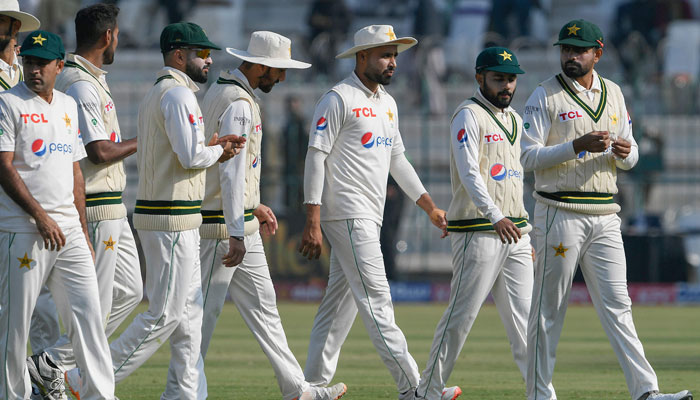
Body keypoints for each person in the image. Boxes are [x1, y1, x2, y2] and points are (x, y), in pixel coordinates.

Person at [161, 30, 347, 400]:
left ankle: (296, 389)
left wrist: (253, 205)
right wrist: (236, 230)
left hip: (233, 220)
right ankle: (178, 394)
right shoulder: (240, 103)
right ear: (260, 65)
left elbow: (234, 171)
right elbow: (229, 172)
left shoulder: (223, 90)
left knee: (264, 311)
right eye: (278, 71)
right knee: (200, 319)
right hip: (221, 227)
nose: (281, 78)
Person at [62, 22, 244, 399]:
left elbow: (185, 151)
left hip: (176, 215)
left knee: (189, 315)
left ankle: (184, 394)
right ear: (179, 55)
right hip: (170, 217)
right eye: (202, 53)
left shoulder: (168, 92)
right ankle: (84, 379)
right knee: (164, 314)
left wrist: (210, 147)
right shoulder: (177, 95)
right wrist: (218, 152)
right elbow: (192, 156)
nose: (209, 60)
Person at [521, 19, 693, 400]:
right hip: (558, 211)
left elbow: (630, 154)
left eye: (578, 50)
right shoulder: (543, 95)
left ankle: (646, 391)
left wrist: (626, 153)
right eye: (565, 49)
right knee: (549, 309)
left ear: (597, 53)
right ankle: (539, 394)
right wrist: (576, 145)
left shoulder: (613, 93)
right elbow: (527, 156)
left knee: (619, 307)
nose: (570, 55)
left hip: (605, 216)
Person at [298, 24, 457, 400]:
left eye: (395, 56)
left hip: (369, 213)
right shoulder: (338, 98)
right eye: (385, 55)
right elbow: (315, 157)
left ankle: (313, 385)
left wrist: (429, 206)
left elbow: (397, 160)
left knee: (340, 304)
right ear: (362, 56)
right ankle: (415, 389)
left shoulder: (388, 103)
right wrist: (312, 220)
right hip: (348, 213)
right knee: (376, 298)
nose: (392, 63)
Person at [27, 3, 144, 392]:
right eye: (117, 34)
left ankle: (54, 361)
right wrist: (150, 141)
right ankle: (54, 365)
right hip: (97, 203)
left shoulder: (90, 78)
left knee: (131, 291)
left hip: (113, 202)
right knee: (99, 305)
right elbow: (98, 151)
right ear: (108, 35)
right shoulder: (78, 83)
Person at [412, 46, 539, 400]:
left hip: (515, 231)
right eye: (499, 78)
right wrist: (494, 214)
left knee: (526, 323)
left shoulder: (514, 118)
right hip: (479, 230)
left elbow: (514, 179)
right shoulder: (467, 114)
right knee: (461, 318)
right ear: (480, 77)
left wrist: (524, 229)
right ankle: (427, 390)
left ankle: (541, 394)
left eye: (511, 78)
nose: (507, 86)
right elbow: (469, 172)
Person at [0, 29, 115, 400]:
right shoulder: (7, 103)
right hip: (23, 229)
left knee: (89, 317)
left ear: (59, 66)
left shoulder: (67, 104)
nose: (34, 70)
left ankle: (100, 394)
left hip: (69, 229)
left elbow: (76, 171)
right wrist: (40, 216)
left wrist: (81, 229)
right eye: (29, 62)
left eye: (42, 64)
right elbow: (3, 167)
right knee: (15, 324)